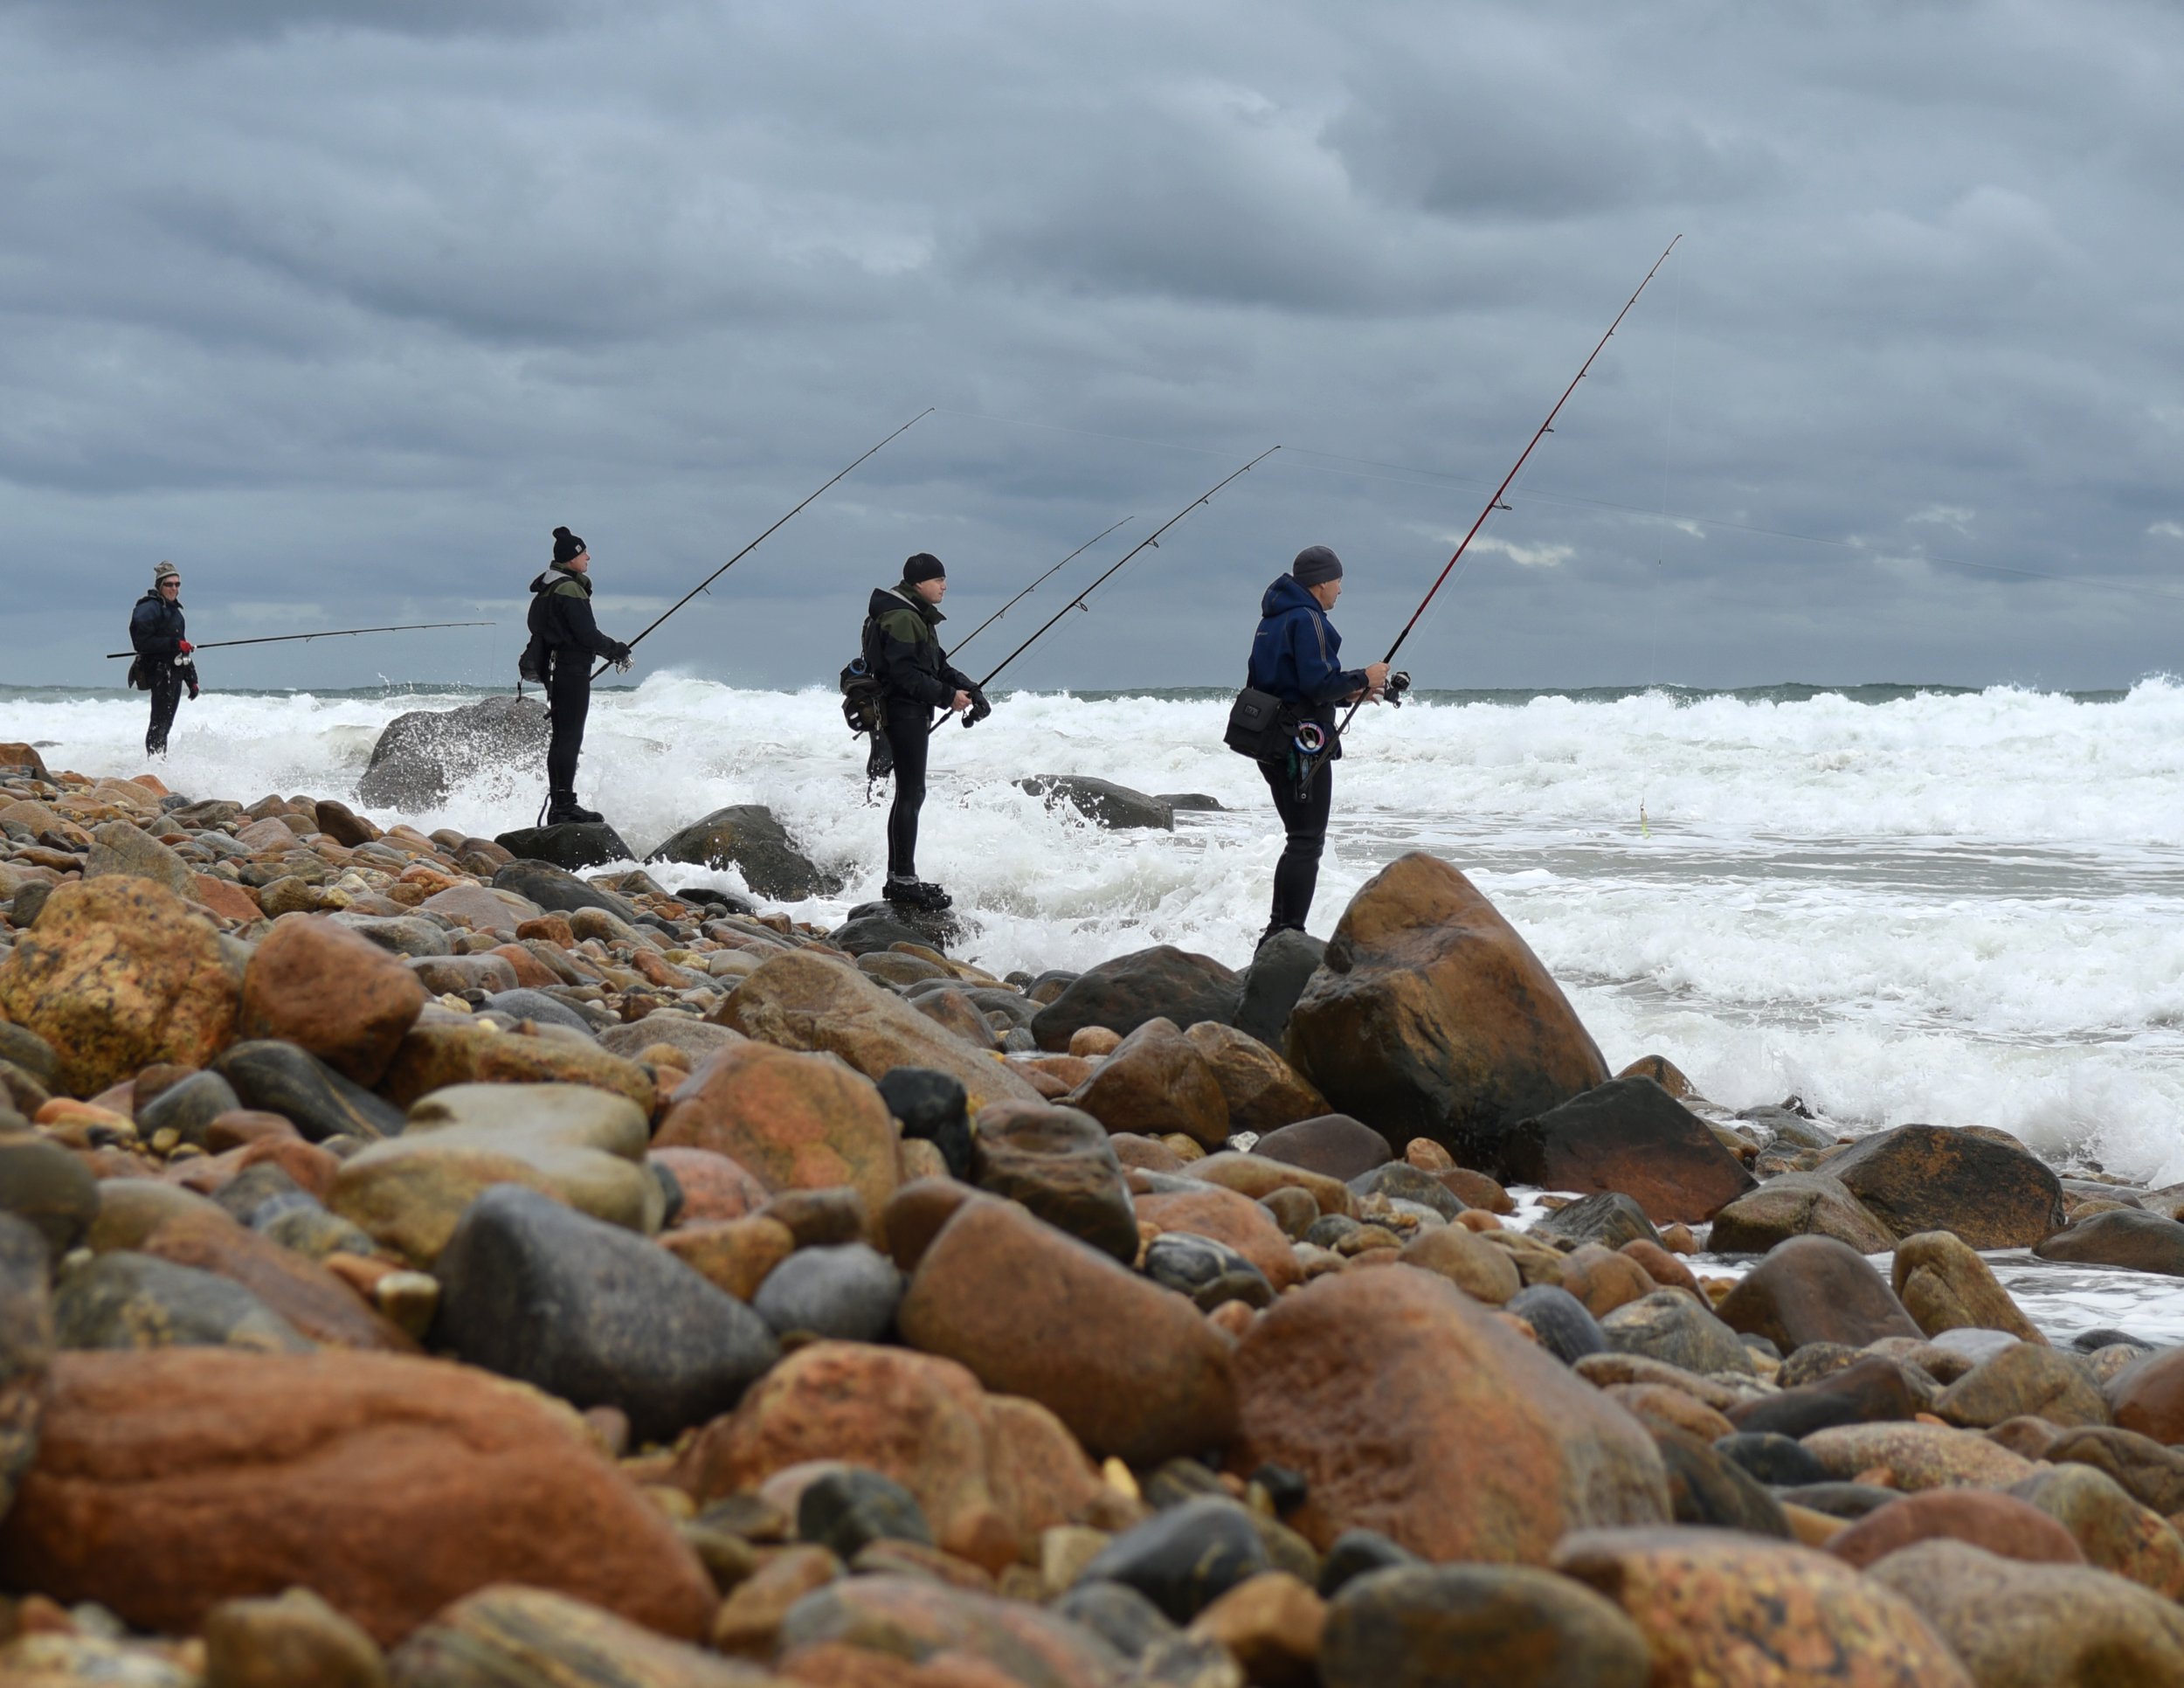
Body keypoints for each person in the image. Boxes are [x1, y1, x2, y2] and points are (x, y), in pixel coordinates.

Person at [1246, 544, 1389, 947]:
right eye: (1338, 582)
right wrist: (1365, 675)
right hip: (1301, 749)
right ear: (1322, 582)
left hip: (1271, 741)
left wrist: (1349, 695)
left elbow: (1282, 683)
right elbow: (1315, 684)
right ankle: (1288, 931)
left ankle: (1278, 930)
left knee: (1297, 838)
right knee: (1307, 840)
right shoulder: (1308, 619)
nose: (1340, 590)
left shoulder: (1271, 621)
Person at [865, 552, 988, 910]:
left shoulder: (912, 614)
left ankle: (900, 877)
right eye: (938, 580)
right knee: (910, 793)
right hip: (902, 713)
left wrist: (969, 688)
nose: (944, 586)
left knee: (909, 793)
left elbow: (936, 664)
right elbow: (904, 675)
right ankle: (903, 881)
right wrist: (949, 696)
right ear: (919, 582)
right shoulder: (904, 617)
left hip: (906, 712)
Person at [525, 526, 632, 825]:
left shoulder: (551, 586)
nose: (588, 557)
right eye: (583, 552)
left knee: (561, 738)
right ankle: (564, 806)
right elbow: (587, 635)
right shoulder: (569, 588)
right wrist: (616, 650)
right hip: (570, 670)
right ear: (571, 557)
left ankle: (560, 803)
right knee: (569, 738)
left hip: (557, 670)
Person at [129, 560, 198, 757]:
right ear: (160, 586)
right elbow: (142, 643)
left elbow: (182, 649)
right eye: (169, 584)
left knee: (166, 723)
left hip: (175, 674)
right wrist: (174, 645)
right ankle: (154, 763)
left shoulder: (176, 614)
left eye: (177, 584)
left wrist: (192, 680)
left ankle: (160, 761)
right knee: (158, 723)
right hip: (158, 672)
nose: (174, 588)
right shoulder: (149, 608)